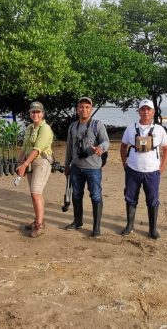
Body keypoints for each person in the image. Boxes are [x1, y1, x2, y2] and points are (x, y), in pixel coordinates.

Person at [119, 99, 167, 239]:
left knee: (152, 199)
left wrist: (162, 167)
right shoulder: (130, 128)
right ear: (139, 111)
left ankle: (152, 229)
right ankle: (129, 225)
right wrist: (124, 163)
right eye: (143, 109)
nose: (145, 112)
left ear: (153, 112)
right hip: (133, 170)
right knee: (130, 198)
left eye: (148, 109)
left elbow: (166, 149)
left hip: (152, 172)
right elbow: (123, 146)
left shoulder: (159, 130)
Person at [63, 97, 109, 237]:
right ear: (77, 109)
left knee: (95, 196)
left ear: (91, 109)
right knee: (76, 195)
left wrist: (100, 148)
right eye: (81, 107)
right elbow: (69, 148)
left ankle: (96, 227)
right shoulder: (72, 126)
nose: (84, 109)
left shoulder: (97, 125)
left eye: (87, 107)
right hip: (76, 167)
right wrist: (67, 165)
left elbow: (106, 141)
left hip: (93, 168)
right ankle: (78, 221)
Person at [16, 102, 54, 238]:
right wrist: (20, 162)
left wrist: (25, 164)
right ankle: (39, 220)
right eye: (33, 112)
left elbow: (37, 149)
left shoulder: (46, 129)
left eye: (38, 112)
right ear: (30, 113)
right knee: (35, 193)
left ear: (42, 114)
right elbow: (24, 147)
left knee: (35, 192)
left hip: (41, 162)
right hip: (30, 162)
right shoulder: (29, 128)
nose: (35, 114)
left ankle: (39, 225)